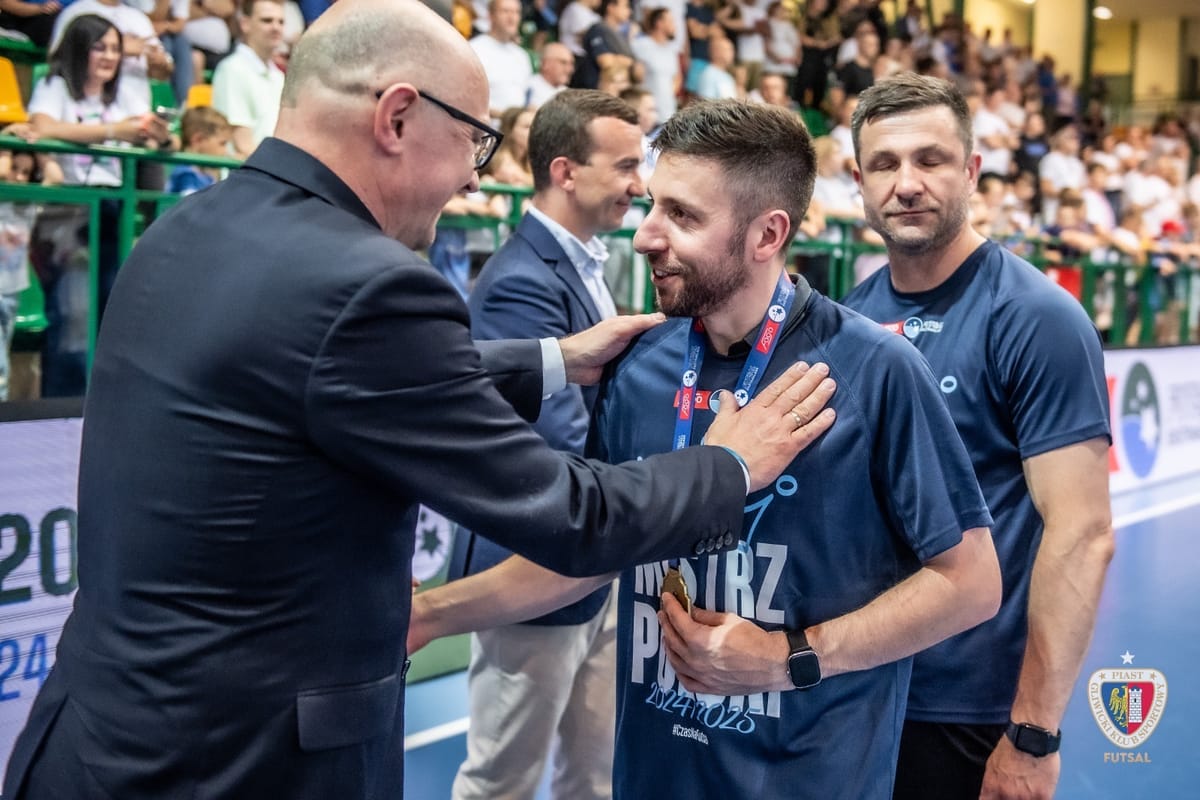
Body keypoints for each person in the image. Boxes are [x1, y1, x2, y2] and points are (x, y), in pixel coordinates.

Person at [1, 3, 835, 798]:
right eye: (474, 143)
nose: (474, 183)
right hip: (237, 763)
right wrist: (727, 464)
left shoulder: (187, 226)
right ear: (398, 117)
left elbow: (315, 369)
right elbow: (573, 516)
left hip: (97, 736)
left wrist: (552, 359)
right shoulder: (368, 285)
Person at [410, 99, 1002, 799]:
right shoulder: (638, 366)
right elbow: (593, 552)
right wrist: (431, 614)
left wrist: (790, 659)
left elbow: (971, 584)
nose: (645, 236)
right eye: (654, 205)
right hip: (654, 776)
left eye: (683, 217)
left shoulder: (877, 373)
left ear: (766, 234)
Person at [842, 73, 1114, 800]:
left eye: (930, 160)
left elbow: (1083, 534)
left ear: (971, 171)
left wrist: (1033, 734)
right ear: (857, 181)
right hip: (857, 690)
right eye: (885, 164)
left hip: (972, 711)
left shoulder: (1035, 317)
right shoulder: (852, 318)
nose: (907, 183)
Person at [450, 89, 642, 800]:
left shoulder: (583, 262)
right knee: (503, 778)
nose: (638, 184)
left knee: (593, 777)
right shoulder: (519, 281)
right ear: (565, 171)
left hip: (592, 566)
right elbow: (553, 443)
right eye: (624, 165)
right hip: (532, 573)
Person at [28, 13, 171, 396]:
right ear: (78, 49)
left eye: (115, 49)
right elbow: (41, 127)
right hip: (69, 211)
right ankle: (61, 408)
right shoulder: (55, 84)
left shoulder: (123, 92)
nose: (110, 57)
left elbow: (142, 136)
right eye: (100, 47)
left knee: (112, 317)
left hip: (114, 209)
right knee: (72, 321)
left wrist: (155, 136)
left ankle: (99, 407)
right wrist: (113, 131)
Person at [211, 0, 286, 159]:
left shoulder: (279, 76)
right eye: (267, 20)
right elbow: (242, 144)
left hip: (273, 171)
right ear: (245, 24)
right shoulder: (232, 69)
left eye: (281, 21)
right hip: (250, 176)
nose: (276, 27)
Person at [468, 0, 532, 118]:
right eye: (505, 11)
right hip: (486, 130)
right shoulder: (473, 49)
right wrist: (506, 117)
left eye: (516, 12)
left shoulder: (522, 56)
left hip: (516, 131)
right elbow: (466, 99)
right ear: (491, 16)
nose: (512, 17)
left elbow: (527, 97)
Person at [166, 105, 233, 194]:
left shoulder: (207, 177)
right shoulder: (186, 175)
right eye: (222, 144)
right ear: (198, 140)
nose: (226, 152)